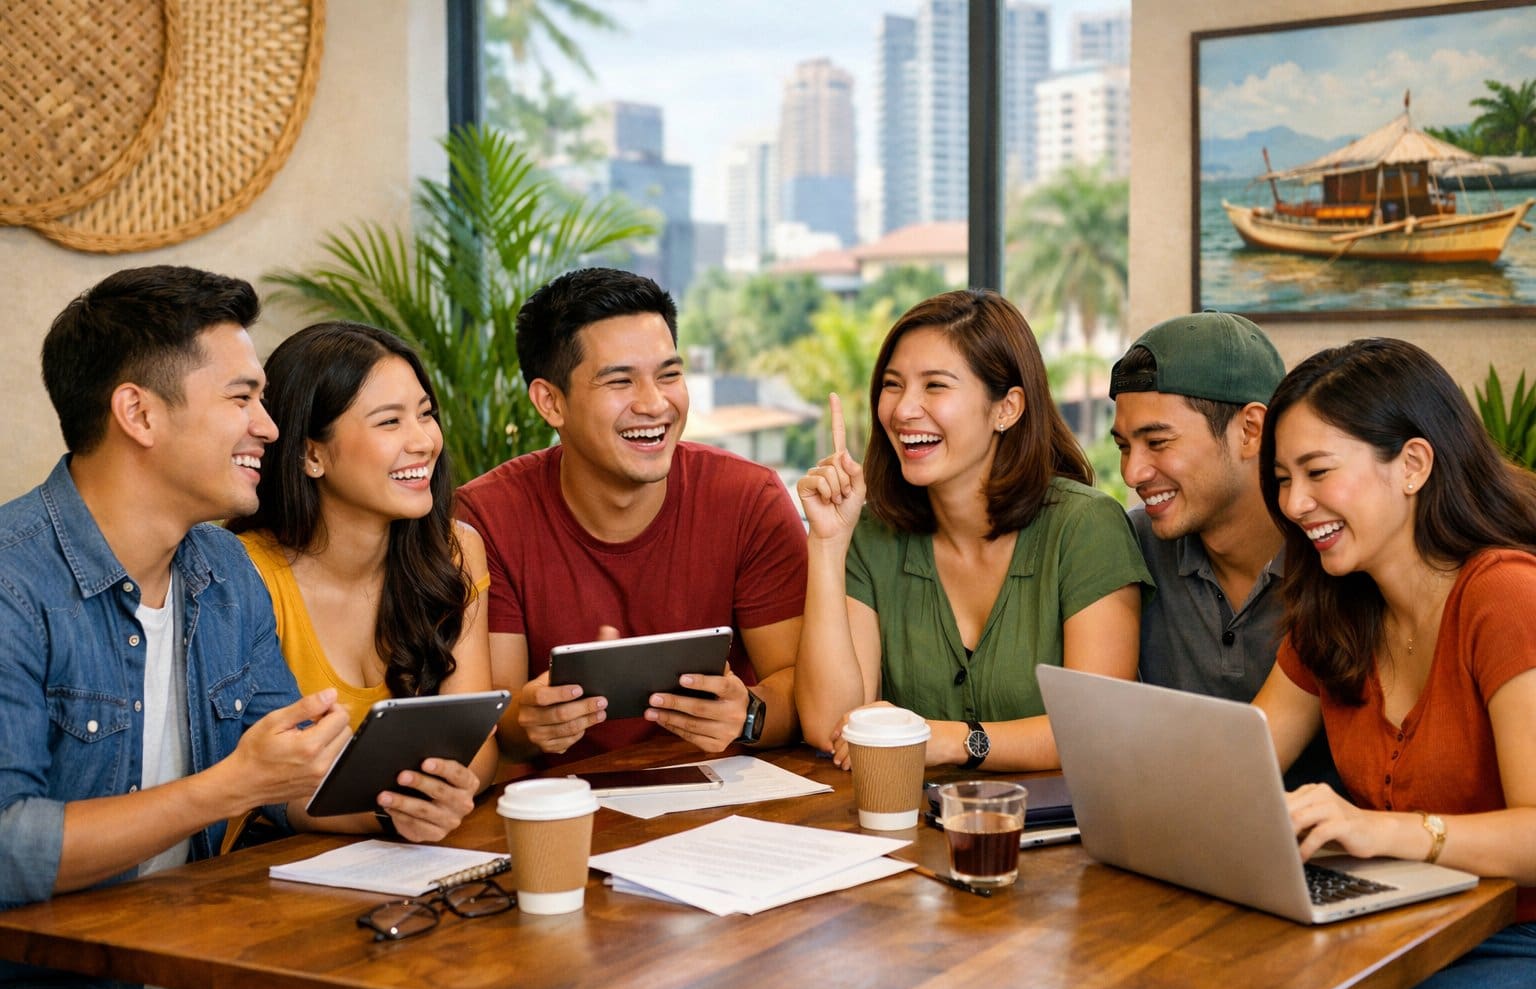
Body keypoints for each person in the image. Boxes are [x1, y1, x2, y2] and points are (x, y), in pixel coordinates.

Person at [0, 266, 353, 989]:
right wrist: (227, 788)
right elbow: (6, 846)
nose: (269, 425)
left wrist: (391, 798)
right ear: (139, 413)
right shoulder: (12, 583)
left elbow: (292, 783)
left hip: (204, 965)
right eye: (242, 398)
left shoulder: (223, 569)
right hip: (42, 986)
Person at [1253, 337, 1536, 989]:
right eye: (1284, 479)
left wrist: (1381, 831)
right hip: (1412, 926)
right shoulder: (1336, 608)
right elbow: (1242, 754)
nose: (1293, 503)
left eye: (1317, 472)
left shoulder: (1506, 596)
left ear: (1412, 465)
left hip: (1516, 940)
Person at [455, 268, 807, 766]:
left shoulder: (748, 498)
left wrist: (748, 711)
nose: (655, 403)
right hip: (571, 812)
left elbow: (803, 689)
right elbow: (497, 725)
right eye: (620, 380)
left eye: (669, 374)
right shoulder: (486, 519)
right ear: (550, 402)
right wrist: (529, 722)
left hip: (724, 799)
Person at [795, 289, 1151, 771]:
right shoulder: (871, 534)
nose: (903, 411)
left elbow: (1096, 728)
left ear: (1007, 408)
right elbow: (829, 724)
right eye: (893, 385)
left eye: (935, 386)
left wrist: (953, 740)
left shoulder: (1085, 528)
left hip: (1059, 836)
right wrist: (827, 543)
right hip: (908, 830)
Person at [227, 321, 497, 842]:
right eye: (389, 422)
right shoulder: (244, 574)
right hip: (273, 866)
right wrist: (392, 812)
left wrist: (442, 796)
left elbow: (478, 740)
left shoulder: (454, 548)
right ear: (311, 453)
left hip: (419, 850)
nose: (423, 442)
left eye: (425, 414)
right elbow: (273, 790)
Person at [1108, 311, 1335, 788]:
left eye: (1157, 441)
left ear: (1251, 431)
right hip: (1178, 829)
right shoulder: (1128, 548)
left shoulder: (1335, 557)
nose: (1133, 474)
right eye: (1125, 446)